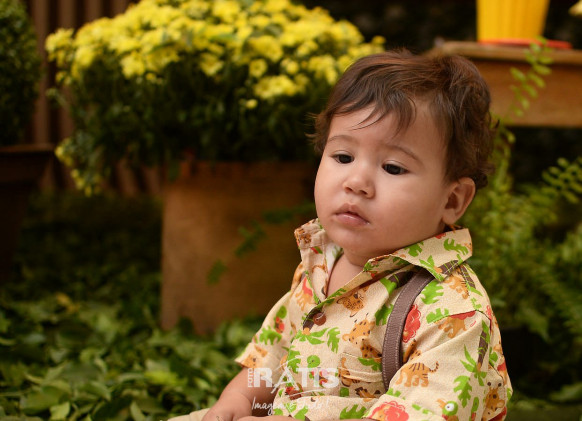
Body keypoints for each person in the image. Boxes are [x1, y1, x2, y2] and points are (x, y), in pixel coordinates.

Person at [169, 49, 512, 421]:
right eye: (343, 157)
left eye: (393, 167)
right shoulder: (320, 267)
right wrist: (238, 400)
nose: (356, 182)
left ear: (452, 199)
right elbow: (275, 357)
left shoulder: (452, 310)